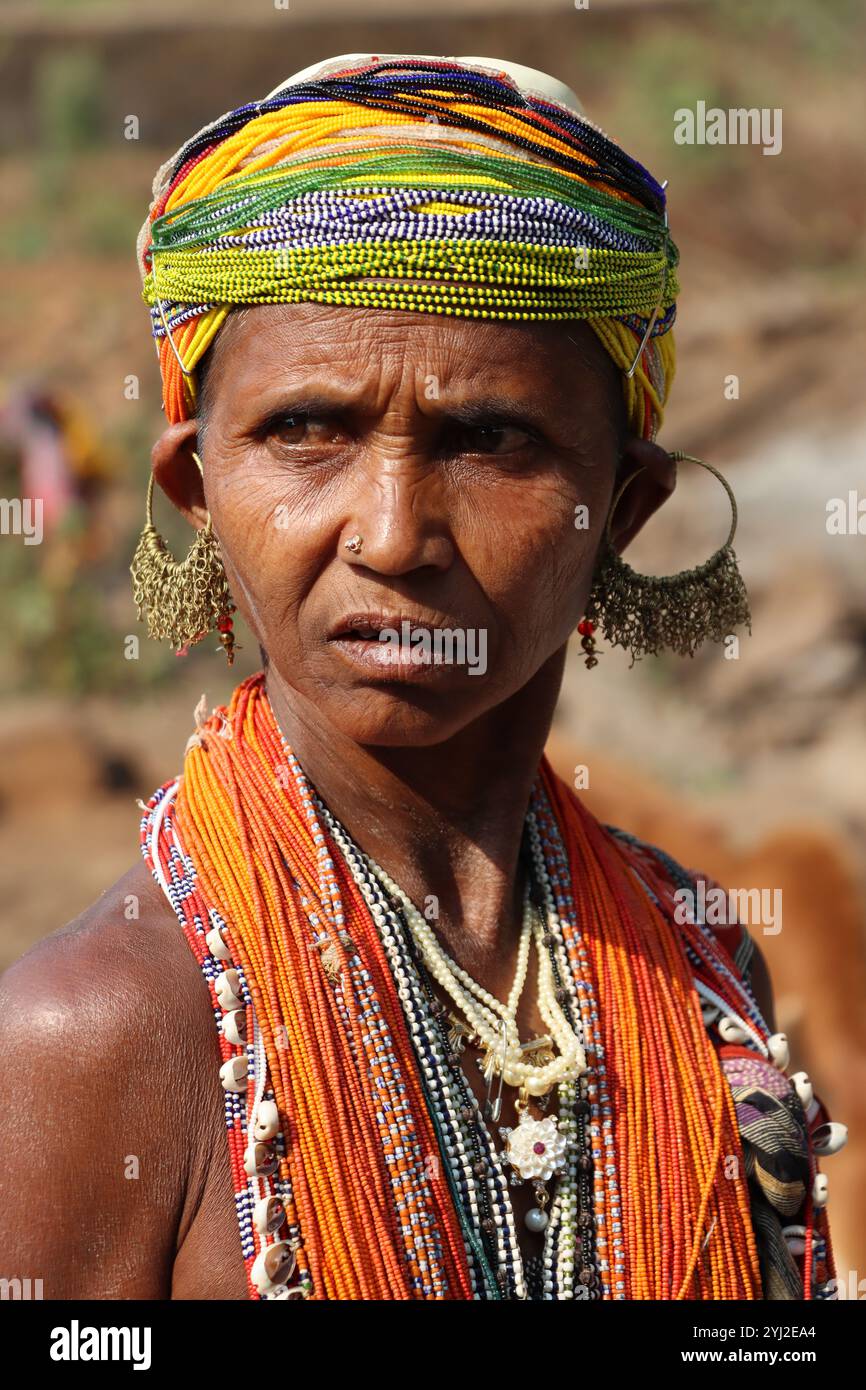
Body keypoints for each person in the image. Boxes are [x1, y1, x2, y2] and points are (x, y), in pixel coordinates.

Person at [0, 53, 841, 1302]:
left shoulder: (702, 970)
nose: (391, 533)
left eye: (489, 438)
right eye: (304, 431)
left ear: (619, 505)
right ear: (195, 489)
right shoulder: (101, 1033)